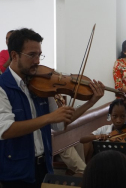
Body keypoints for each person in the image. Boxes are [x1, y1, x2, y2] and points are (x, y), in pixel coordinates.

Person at [0, 28, 105, 188]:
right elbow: (6, 130)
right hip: (15, 172)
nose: (37, 61)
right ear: (14, 55)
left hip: (44, 166)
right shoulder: (3, 87)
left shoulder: (41, 84)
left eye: (39, 54)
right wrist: (49, 117)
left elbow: (60, 124)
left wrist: (90, 102)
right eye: (32, 55)